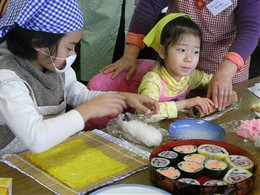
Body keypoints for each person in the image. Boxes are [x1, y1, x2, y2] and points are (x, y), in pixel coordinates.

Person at [0, 0, 159, 157]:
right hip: (11, 169)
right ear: (39, 42)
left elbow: (82, 96)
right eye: (69, 47)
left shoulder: (58, 68)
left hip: (48, 157)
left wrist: (123, 97)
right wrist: (87, 111)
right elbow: (35, 138)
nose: (73, 54)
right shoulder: (8, 79)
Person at [101, 0, 260, 111]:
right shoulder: (153, 81)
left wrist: (225, 73)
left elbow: (250, 28)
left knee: (224, 113)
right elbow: (148, 7)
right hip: (176, 51)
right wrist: (130, 54)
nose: (190, 61)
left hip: (226, 56)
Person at [137, 13, 214, 120]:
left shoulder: (190, 75)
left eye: (196, 52)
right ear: (163, 51)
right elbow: (145, 113)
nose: (189, 58)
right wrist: (185, 103)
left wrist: (220, 84)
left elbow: (211, 81)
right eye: (182, 50)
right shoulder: (153, 81)